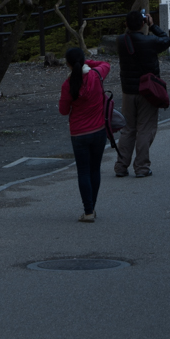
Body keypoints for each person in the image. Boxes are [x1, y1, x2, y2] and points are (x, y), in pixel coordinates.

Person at [114, 8, 170, 177]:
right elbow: (166, 40)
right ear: (143, 23)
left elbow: (129, 33)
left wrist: (133, 25)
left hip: (128, 91)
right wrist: (152, 26)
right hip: (148, 91)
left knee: (128, 129)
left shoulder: (121, 41)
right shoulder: (150, 41)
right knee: (145, 128)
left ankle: (121, 166)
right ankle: (141, 167)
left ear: (126, 24)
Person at [59, 47, 111, 221]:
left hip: (79, 133)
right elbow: (106, 64)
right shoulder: (96, 76)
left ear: (67, 64)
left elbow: (63, 110)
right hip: (98, 130)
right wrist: (85, 62)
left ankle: (88, 210)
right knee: (94, 169)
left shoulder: (68, 85)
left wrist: (76, 65)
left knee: (83, 171)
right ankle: (92, 208)